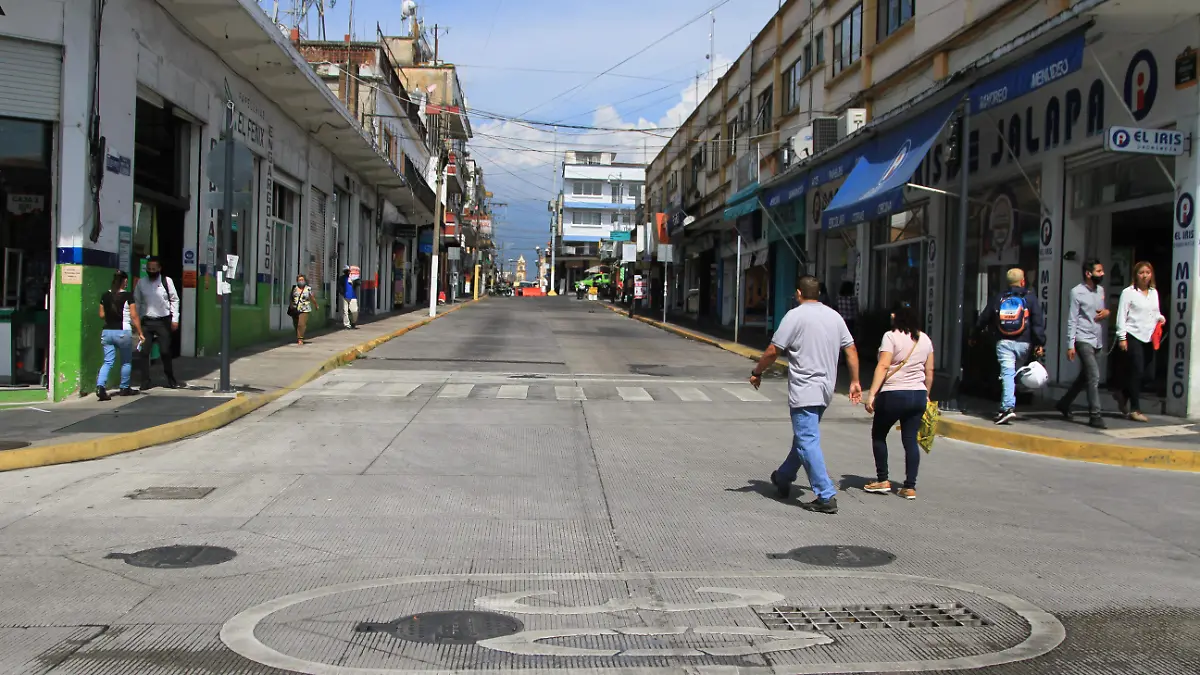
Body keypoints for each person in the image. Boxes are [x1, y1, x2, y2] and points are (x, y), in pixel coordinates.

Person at [750, 275, 862, 515]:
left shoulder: (795, 316)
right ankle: (783, 476)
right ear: (818, 293)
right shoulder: (834, 317)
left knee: (807, 441)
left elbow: (773, 350)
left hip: (805, 390)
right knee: (803, 438)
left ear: (799, 293)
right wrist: (854, 381)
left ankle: (825, 494)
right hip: (825, 390)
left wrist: (757, 371)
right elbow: (850, 349)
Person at [862, 302, 933, 500]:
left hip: (894, 393)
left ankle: (883, 479)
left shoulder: (890, 336)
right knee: (910, 440)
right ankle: (910, 486)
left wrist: (872, 394)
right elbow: (929, 372)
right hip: (918, 394)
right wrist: (926, 394)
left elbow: (883, 365)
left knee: (879, 435)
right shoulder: (925, 339)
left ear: (897, 318)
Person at [973, 268, 1045, 425]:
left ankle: (1007, 408)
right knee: (1013, 374)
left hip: (1004, 342)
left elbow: (983, 319)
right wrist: (1040, 342)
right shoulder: (1030, 298)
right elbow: (1038, 323)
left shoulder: (999, 298)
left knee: (1008, 374)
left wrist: (974, 334)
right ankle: (1013, 397)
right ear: (1023, 281)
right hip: (1024, 343)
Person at [1056, 259, 1109, 428]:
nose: (1102, 274)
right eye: (1099, 271)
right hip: (1082, 338)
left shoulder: (1101, 290)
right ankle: (1095, 415)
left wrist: (1107, 312)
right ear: (1088, 273)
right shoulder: (1076, 292)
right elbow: (1072, 319)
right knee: (1094, 376)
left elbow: (1102, 311)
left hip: (1097, 339)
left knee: (1085, 377)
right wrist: (1070, 344)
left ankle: (1064, 402)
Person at [1115, 261, 1166, 423]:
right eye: (1141, 273)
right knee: (1136, 370)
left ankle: (1123, 394)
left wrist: (1161, 318)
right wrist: (1121, 337)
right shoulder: (1128, 293)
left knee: (1145, 374)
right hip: (1133, 334)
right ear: (1135, 275)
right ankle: (1135, 409)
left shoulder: (1153, 292)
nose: (1145, 276)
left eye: (1147, 272)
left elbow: (1155, 312)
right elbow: (1121, 315)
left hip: (1149, 336)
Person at [133, 256, 183, 390]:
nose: (151, 271)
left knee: (165, 351)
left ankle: (170, 378)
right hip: (146, 322)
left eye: (154, 269)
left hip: (163, 321)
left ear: (159, 269)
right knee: (144, 352)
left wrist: (175, 319)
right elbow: (136, 303)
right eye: (149, 269)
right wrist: (135, 321)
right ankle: (145, 381)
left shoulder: (167, 281)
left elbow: (174, 300)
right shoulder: (141, 283)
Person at [96, 271, 144, 401]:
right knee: (126, 361)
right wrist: (140, 332)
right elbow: (134, 316)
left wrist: (111, 314)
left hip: (107, 332)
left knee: (108, 361)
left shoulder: (105, 296)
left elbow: (101, 315)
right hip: (123, 332)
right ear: (125, 281)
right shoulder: (128, 296)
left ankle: (100, 386)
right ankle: (124, 388)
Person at [290, 274, 318, 345]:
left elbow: (312, 297)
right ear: (297, 281)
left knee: (301, 324)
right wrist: (291, 305)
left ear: (305, 281)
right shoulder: (294, 288)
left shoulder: (308, 289)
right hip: (295, 309)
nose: (301, 281)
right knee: (296, 324)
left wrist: (316, 305)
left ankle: (300, 338)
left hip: (305, 309)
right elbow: (291, 298)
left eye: (302, 280)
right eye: (299, 280)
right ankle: (298, 335)